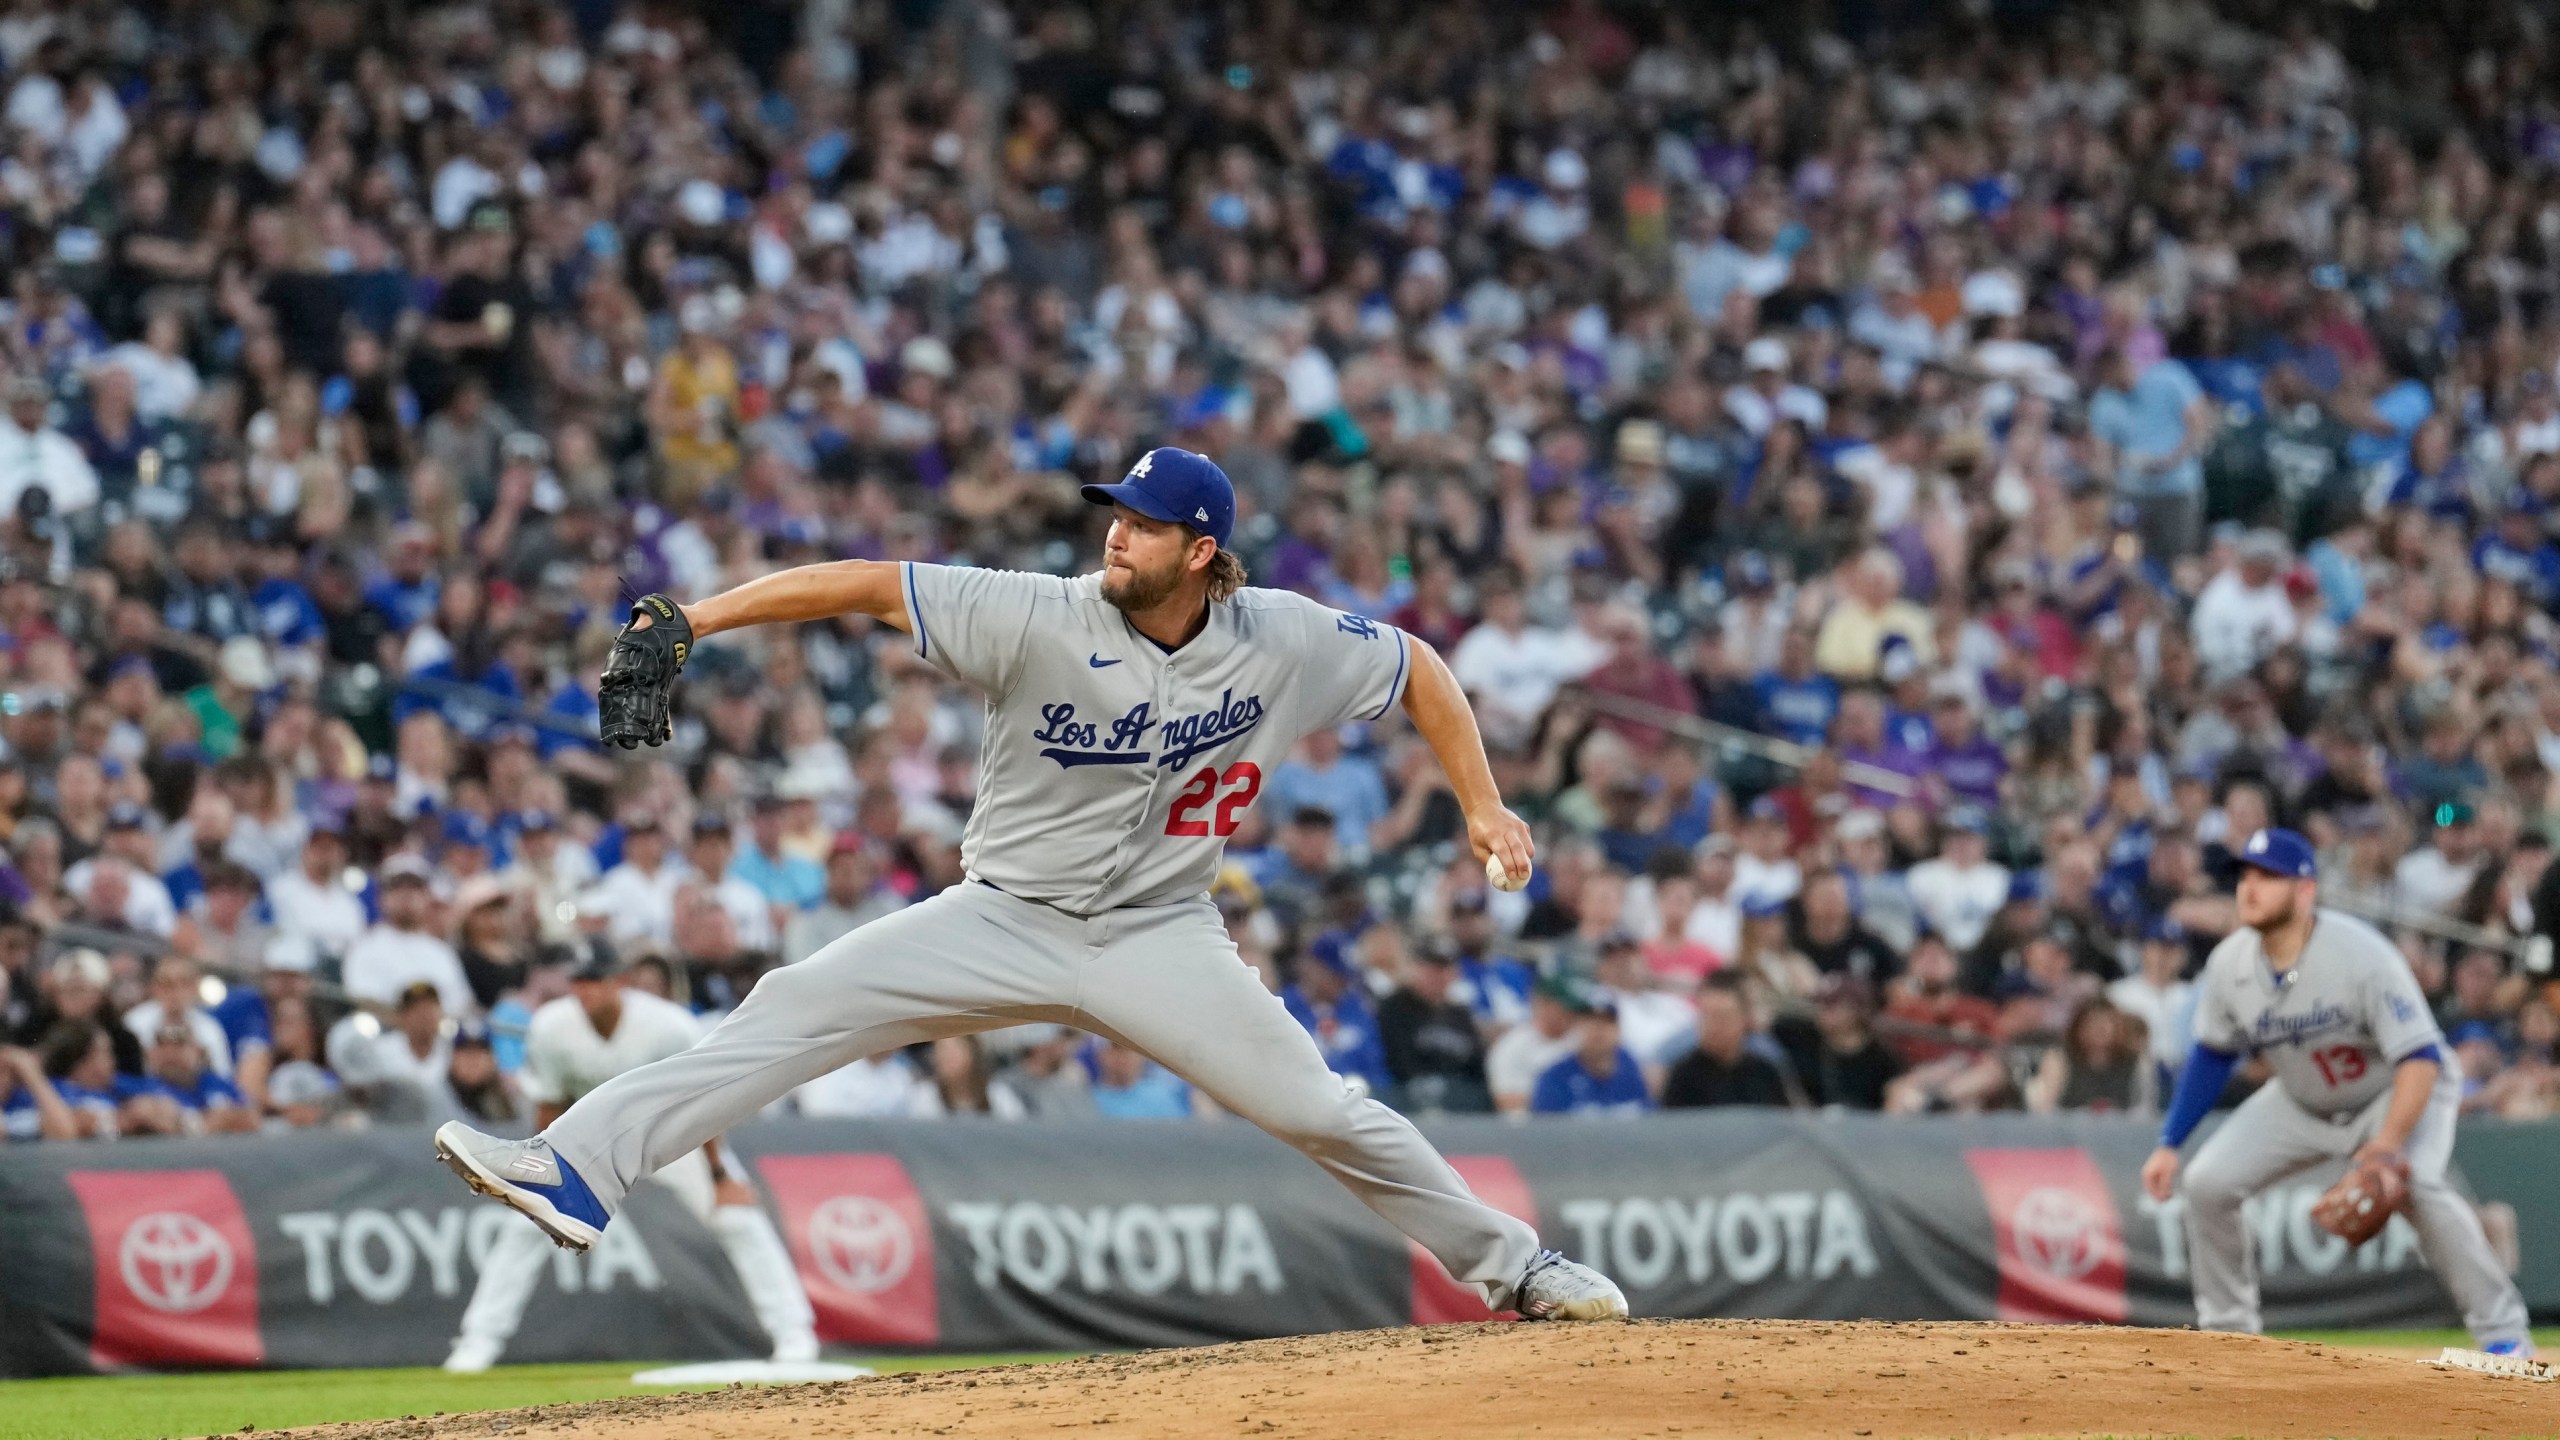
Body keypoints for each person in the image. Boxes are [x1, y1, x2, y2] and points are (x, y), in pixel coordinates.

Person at [435, 450, 1626, 1321]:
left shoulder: (1283, 637)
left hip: (1161, 932)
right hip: (999, 916)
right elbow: (860, 581)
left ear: (1200, 552)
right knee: (791, 1005)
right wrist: (693, 620)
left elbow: (1417, 666)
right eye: (1114, 514)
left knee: (1320, 1110)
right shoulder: (1037, 614)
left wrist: (1481, 801)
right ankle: (578, 1168)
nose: (1115, 534)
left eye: (1144, 525)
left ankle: (1517, 1269)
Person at [2140, 828, 2531, 1354]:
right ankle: (2229, 1338)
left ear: (2306, 891)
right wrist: (2170, 1141)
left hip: (2395, 1090)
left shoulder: (2362, 955)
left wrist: (2387, 1144)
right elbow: (2213, 1054)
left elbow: (2419, 1058)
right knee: (2208, 1183)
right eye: (2246, 876)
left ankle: (2505, 1338)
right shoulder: (2230, 963)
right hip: (2302, 1099)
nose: (2250, 888)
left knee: (2419, 1188)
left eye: (2269, 877)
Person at [445, 952, 819, 1373]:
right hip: (592, 1143)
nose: (585, 991)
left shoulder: (668, 1024)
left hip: (670, 1138)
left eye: (595, 981)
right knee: (524, 1224)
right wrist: (540, 1166)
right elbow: (550, 1106)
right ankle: (478, 1343)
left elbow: (708, 1098)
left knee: (736, 1217)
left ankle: (794, 1334)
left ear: (617, 982)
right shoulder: (552, 1026)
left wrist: (718, 1175)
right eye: (579, 982)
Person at [343, 854, 474, 1016]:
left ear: (427, 897)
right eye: (397, 887)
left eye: (415, 887)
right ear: (381, 897)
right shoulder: (365, 945)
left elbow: (461, 1005)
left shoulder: (442, 952)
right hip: (386, 1037)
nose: (406, 894)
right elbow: (363, 1000)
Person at [1376, 943, 1491, 1114]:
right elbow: (1400, 1063)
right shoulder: (1394, 1007)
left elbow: (1477, 1067)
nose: (1438, 976)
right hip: (1408, 1103)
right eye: (1431, 969)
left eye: (1444, 969)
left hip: (1459, 1103)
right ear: (1416, 969)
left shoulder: (1460, 1014)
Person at [1661, 977, 1793, 1108]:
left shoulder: (1764, 1071)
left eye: (1722, 1017)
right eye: (1706, 1017)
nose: (1713, 1026)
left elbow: (1782, 1121)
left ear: (1745, 1020)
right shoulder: (1684, 1076)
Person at [1529, 994, 1652, 1118]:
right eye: (1590, 1021)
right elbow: (1545, 1131)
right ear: (1576, 1027)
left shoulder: (1630, 1069)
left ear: (1618, 1029)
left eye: (1606, 1022)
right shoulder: (1554, 1078)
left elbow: (1649, 1120)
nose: (1598, 1029)